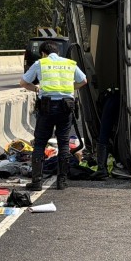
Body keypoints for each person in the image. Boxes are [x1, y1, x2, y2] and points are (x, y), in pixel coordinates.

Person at [20, 41, 88, 190]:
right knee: (63, 142)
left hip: (47, 106)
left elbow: (24, 82)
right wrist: (70, 87)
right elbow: (83, 80)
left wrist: (37, 89)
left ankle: (37, 182)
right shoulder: (69, 63)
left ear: (43, 53)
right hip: (66, 106)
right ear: (58, 52)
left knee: (40, 143)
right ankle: (62, 182)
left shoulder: (41, 63)